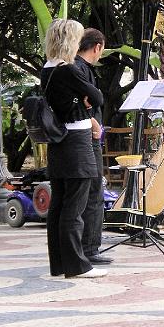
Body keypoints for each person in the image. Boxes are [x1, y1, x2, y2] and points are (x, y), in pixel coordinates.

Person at [41, 19, 107, 278]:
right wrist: (86, 100)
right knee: (75, 205)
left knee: (58, 204)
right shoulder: (68, 70)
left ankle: (59, 264)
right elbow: (98, 98)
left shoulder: (47, 68)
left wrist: (83, 99)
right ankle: (77, 265)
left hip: (59, 141)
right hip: (77, 141)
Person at [73, 28, 114, 265]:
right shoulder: (80, 69)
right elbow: (80, 103)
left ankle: (88, 246)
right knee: (93, 192)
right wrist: (92, 121)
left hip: (87, 137)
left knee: (91, 191)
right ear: (97, 47)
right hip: (87, 138)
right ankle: (90, 247)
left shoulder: (78, 68)